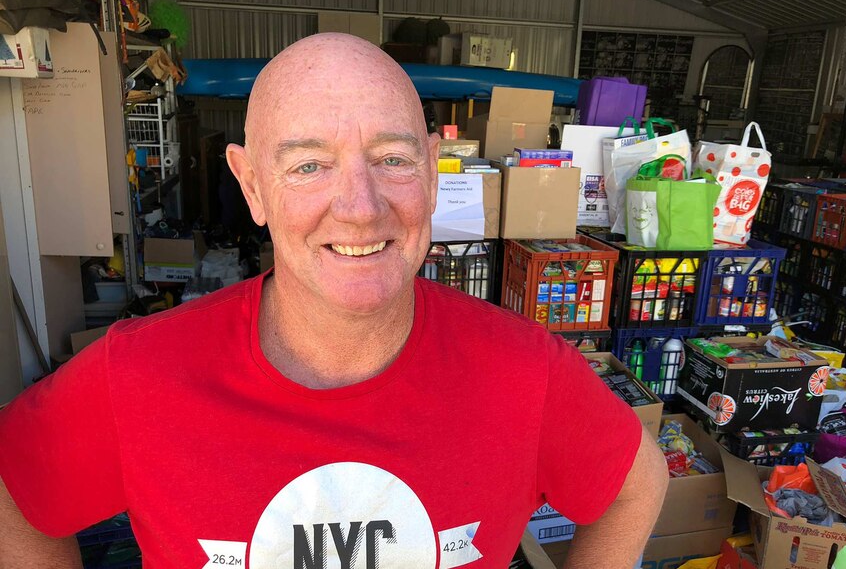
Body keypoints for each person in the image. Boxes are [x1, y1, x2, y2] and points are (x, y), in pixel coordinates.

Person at [0, 33, 667, 568]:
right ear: (253, 186)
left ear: (433, 178)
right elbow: (12, 489)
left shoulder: (525, 371)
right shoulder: (139, 374)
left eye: (393, 159)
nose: (358, 208)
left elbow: (636, 482)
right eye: (308, 166)